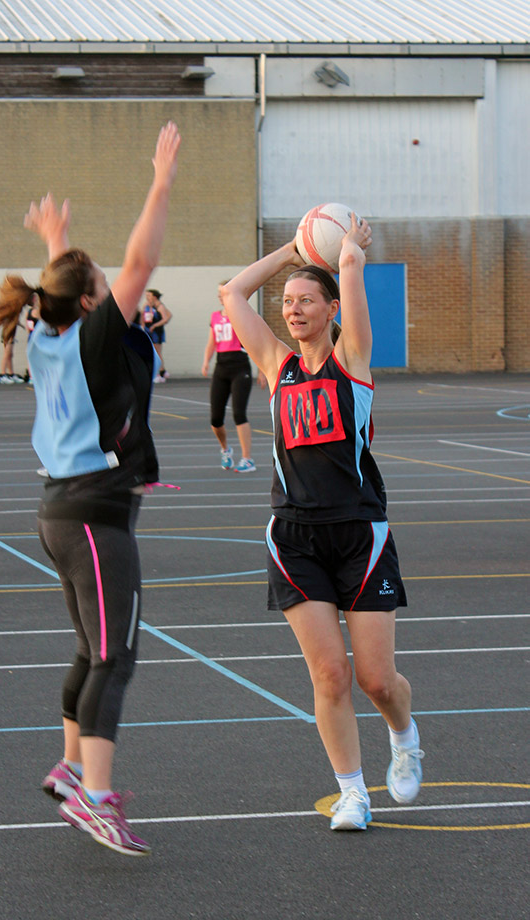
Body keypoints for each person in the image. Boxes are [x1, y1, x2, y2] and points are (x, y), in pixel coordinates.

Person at [0, 122, 181, 855]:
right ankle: (95, 797)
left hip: (60, 512)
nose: (116, 283)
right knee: (115, 656)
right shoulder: (97, 332)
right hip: (95, 513)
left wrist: (55, 241)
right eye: (104, 282)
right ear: (97, 299)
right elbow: (142, 256)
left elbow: (63, 288)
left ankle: (72, 770)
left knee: (88, 648)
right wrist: (160, 177)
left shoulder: (47, 334)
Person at [221, 215, 424, 831]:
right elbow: (232, 293)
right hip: (295, 537)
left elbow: (352, 277)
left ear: (332, 309)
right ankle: (352, 792)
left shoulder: (352, 361)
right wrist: (292, 250)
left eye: (307, 300)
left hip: (360, 533)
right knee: (329, 673)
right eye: (287, 302)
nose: (293, 310)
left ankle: (405, 734)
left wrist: (347, 253)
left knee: (376, 679)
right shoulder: (276, 367)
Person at [201, 281, 259, 472]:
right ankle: (225, 449)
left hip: (240, 366)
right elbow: (211, 343)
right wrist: (206, 361)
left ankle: (247, 458)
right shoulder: (215, 317)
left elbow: (253, 342)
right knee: (215, 419)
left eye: (223, 292)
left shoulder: (240, 315)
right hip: (221, 367)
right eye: (219, 292)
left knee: (238, 413)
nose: (220, 295)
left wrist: (261, 369)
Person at [142, 288, 172, 382]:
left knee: (156, 352)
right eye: (146, 296)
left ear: (154, 297)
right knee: (152, 351)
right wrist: (142, 326)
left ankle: (158, 373)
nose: (147, 297)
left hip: (156, 332)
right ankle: (163, 371)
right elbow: (143, 317)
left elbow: (166, 318)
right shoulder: (147, 305)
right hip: (148, 330)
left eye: (149, 296)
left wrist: (155, 325)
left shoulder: (160, 306)